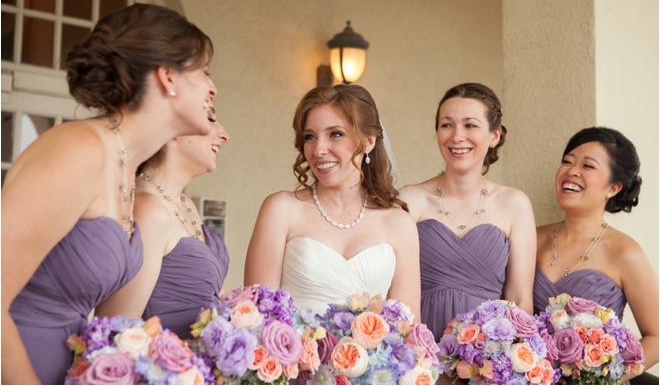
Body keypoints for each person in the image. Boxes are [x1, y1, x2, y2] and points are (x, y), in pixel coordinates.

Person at [2, 3, 217, 384]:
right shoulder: (79, 149)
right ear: (167, 76)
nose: (211, 88)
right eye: (203, 72)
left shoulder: (124, 171)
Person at [244, 84, 421, 320]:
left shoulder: (399, 224)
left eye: (335, 134)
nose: (318, 150)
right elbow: (257, 316)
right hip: (291, 355)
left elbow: (407, 329)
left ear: (369, 141)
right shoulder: (280, 210)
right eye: (310, 137)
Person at [400, 82, 536, 343]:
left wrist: (500, 364)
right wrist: (417, 356)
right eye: (446, 124)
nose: (456, 136)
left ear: (494, 136)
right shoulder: (409, 200)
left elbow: (519, 299)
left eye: (470, 125)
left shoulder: (514, 204)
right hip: (418, 353)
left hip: (487, 358)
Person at [95, 106, 230, 340]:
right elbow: (116, 334)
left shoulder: (186, 205)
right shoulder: (148, 210)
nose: (224, 134)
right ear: (176, 127)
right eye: (210, 119)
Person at [534, 127, 658, 381]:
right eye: (567, 161)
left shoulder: (625, 252)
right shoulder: (531, 238)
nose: (571, 171)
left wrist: (604, 379)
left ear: (612, 188)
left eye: (588, 166)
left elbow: (656, 337)